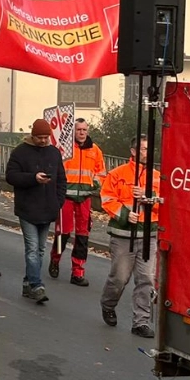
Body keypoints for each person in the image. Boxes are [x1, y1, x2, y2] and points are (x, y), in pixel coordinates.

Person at [101, 138, 161, 338]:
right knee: (119, 278)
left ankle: (140, 322)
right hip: (123, 235)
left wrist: (148, 196)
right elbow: (107, 199)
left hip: (149, 235)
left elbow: (165, 202)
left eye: (149, 148)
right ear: (133, 151)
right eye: (143, 149)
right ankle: (108, 304)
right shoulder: (117, 174)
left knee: (146, 279)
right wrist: (126, 215)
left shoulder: (157, 177)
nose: (147, 152)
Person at [6, 119, 66, 305]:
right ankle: (36, 285)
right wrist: (33, 178)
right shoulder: (20, 152)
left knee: (40, 249)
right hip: (27, 209)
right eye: (40, 137)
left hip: (48, 209)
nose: (43, 140)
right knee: (32, 248)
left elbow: (61, 180)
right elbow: (11, 176)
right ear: (33, 136)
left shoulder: (54, 153)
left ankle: (28, 282)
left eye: (46, 137)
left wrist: (58, 202)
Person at [52, 118, 105, 287]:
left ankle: (78, 272)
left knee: (82, 236)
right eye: (78, 130)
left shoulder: (95, 150)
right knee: (63, 233)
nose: (81, 133)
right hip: (66, 197)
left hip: (85, 198)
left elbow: (101, 172)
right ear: (73, 131)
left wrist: (95, 183)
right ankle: (55, 259)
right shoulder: (65, 149)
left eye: (84, 130)